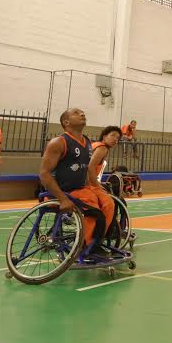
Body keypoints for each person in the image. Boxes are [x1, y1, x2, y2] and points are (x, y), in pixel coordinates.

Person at [39, 108, 115, 253]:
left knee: (109, 202)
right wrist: (62, 199)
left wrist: (96, 187)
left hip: (81, 189)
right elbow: (44, 174)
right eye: (76, 113)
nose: (82, 114)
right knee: (94, 210)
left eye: (82, 112)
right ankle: (85, 245)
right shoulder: (59, 142)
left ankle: (96, 241)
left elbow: (85, 169)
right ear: (66, 122)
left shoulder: (86, 141)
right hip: (63, 191)